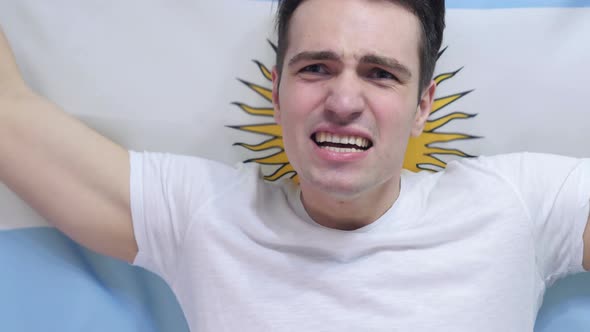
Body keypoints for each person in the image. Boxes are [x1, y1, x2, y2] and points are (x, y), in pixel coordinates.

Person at [1, 0, 589, 330]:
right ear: (276, 91)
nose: (343, 100)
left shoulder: (518, 205)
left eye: (381, 73)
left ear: (423, 107)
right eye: (316, 68)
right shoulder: (200, 213)